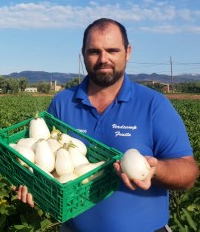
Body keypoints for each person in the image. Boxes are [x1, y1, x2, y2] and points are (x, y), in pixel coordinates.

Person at [16, 18, 199, 232]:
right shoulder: (62, 103)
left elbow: (188, 173)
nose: (104, 59)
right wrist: (32, 183)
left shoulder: (154, 105)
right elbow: (48, 164)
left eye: (112, 50)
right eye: (94, 51)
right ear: (83, 53)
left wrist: (156, 169)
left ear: (127, 52)